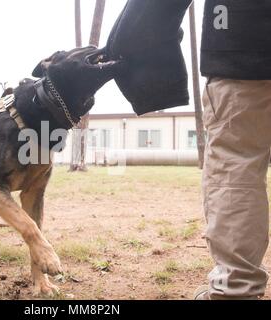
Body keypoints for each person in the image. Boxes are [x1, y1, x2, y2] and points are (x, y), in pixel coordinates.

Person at [106, 0, 271, 300]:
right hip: (244, 49)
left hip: (245, 48)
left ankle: (236, 290)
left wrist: (131, 41)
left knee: (237, 163)